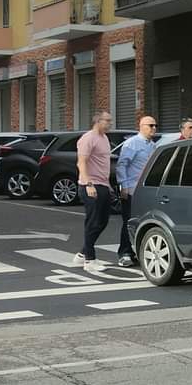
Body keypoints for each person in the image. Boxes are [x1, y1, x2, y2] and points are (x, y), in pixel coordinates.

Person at [73, 111, 115, 273]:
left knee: (103, 221)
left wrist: (108, 186)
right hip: (90, 185)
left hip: (102, 185)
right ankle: (89, 260)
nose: (110, 123)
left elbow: (103, 164)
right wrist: (89, 184)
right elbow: (81, 163)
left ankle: (82, 254)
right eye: (107, 121)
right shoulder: (88, 138)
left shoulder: (104, 138)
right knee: (93, 222)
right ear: (98, 121)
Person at [115, 116, 158, 267]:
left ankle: (138, 252)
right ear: (141, 126)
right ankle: (125, 253)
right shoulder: (132, 143)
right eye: (151, 125)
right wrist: (124, 186)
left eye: (155, 125)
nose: (154, 128)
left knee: (143, 222)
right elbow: (122, 165)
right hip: (132, 189)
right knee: (129, 221)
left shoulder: (152, 145)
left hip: (145, 190)